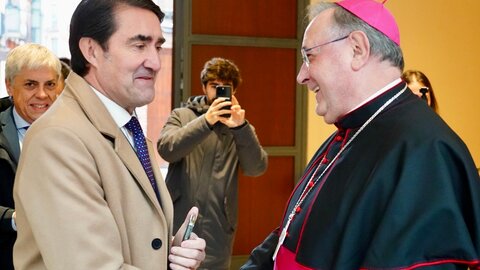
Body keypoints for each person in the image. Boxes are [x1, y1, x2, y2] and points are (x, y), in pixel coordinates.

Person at [241, 0, 480, 269]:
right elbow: (289, 235)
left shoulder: (426, 152)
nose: (301, 76)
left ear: (357, 49)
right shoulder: (349, 134)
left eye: (309, 57)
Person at [12, 1, 205, 269]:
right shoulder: (58, 139)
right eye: (139, 45)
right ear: (91, 50)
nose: (155, 62)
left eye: (157, 46)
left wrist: (171, 254)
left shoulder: (125, 126)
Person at [158, 57, 268, 269]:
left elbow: (257, 168)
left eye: (225, 87)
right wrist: (206, 121)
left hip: (218, 224)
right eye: (214, 86)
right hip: (178, 216)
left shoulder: (240, 127)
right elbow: (166, 149)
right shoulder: (182, 116)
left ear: (234, 91)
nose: (219, 92)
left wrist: (240, 128)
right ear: (203, 87)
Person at [0, 43, 62, 270]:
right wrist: (15, 219)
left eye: (50, 84)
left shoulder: (79, 133)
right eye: (30, 85)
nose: (42, 95)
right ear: (9, 85)